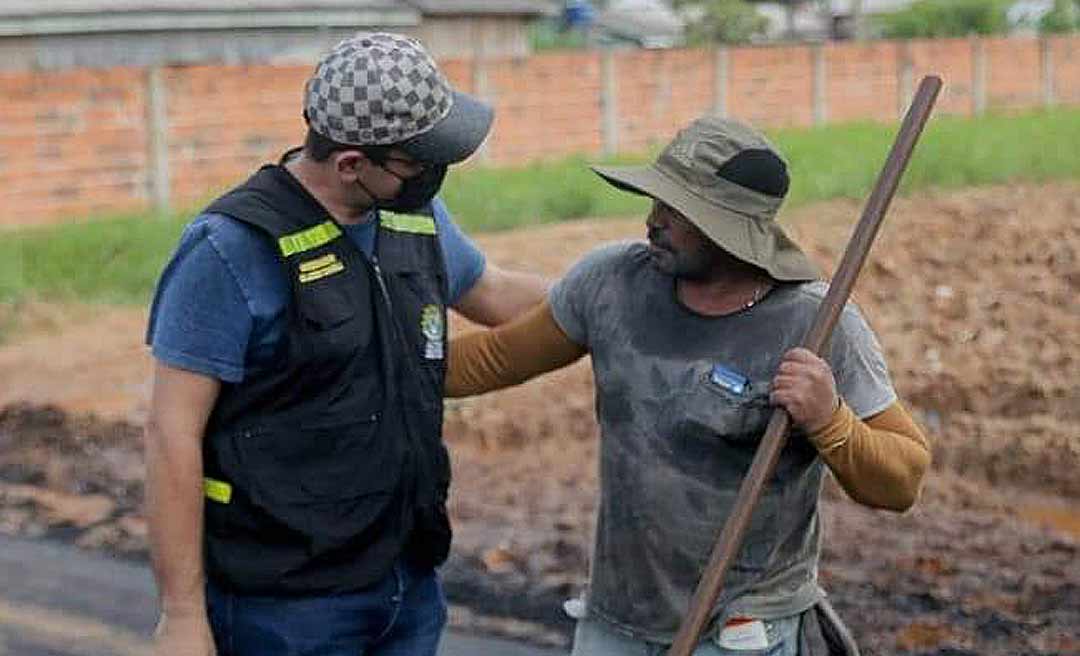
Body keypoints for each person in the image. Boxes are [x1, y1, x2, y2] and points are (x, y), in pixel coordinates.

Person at [445, 116, 932, 655]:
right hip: (618, 622)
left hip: (742, 631)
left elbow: (902, 481)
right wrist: (371, 370)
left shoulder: (815, 325)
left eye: (675, 211)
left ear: (727, 228)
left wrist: (830, 420)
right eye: (657, 202)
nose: (653, 220)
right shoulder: (612, 284)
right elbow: (494, 357)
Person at [144, 32, 547, 656]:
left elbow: (494, 292)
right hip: (286, 606)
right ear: (352, 164)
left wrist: (615, 295)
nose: (433, 176)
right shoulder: (229, 250)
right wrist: (181, 616)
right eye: (418, 162)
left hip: (405, 584)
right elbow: (171, 434)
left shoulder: (410, 213)